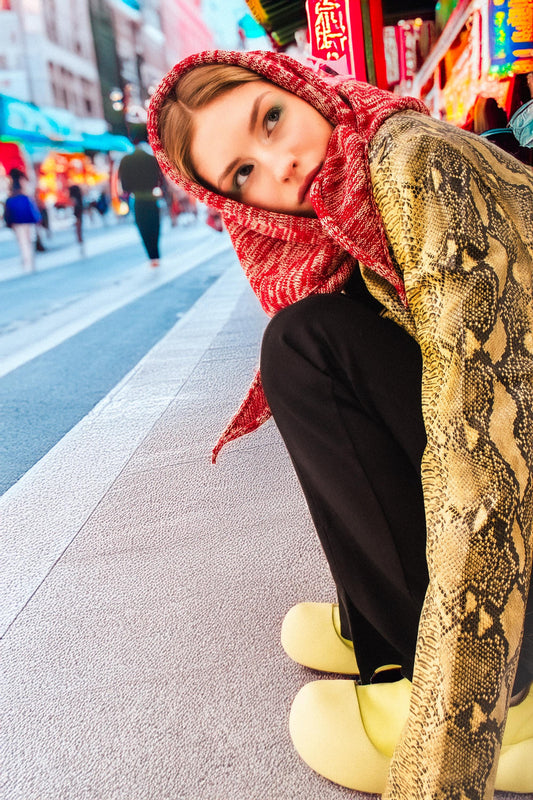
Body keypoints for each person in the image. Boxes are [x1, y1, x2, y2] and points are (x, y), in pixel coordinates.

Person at [147, 51, 533, 797]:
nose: (280, 167)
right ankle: (384, 631)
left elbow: (485, 452)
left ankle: (505, 691)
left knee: (307, 346)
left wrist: (448, 752)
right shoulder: (350, 206)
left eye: (271, 120)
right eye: (242, 174)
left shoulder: (415, 163)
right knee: (318, 330)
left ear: (301, 88)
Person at [118, 131, 163, 267]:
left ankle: (151, 256)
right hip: (152, 199)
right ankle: (156, 253)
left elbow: (124, 185)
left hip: (138, 200)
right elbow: (159, 180)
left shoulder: (126, 160)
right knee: (154, 226)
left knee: (143, 228)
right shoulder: (151, 159)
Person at [3, 168, 41, 272]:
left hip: (17, 218)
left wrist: (8, 221)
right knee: (28, 239)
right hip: (26, 215)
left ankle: (26, 259)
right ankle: (30, 259)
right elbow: (31, 200)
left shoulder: (10, 185)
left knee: (22, 240)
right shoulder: (23, 182)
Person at [68, 182, 85, 256]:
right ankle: (81, 244)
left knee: (78, 231)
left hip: (76, 215)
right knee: (79, 231)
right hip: (78, 215)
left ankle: (80, 245)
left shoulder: (75, 201)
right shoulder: (79, 199)